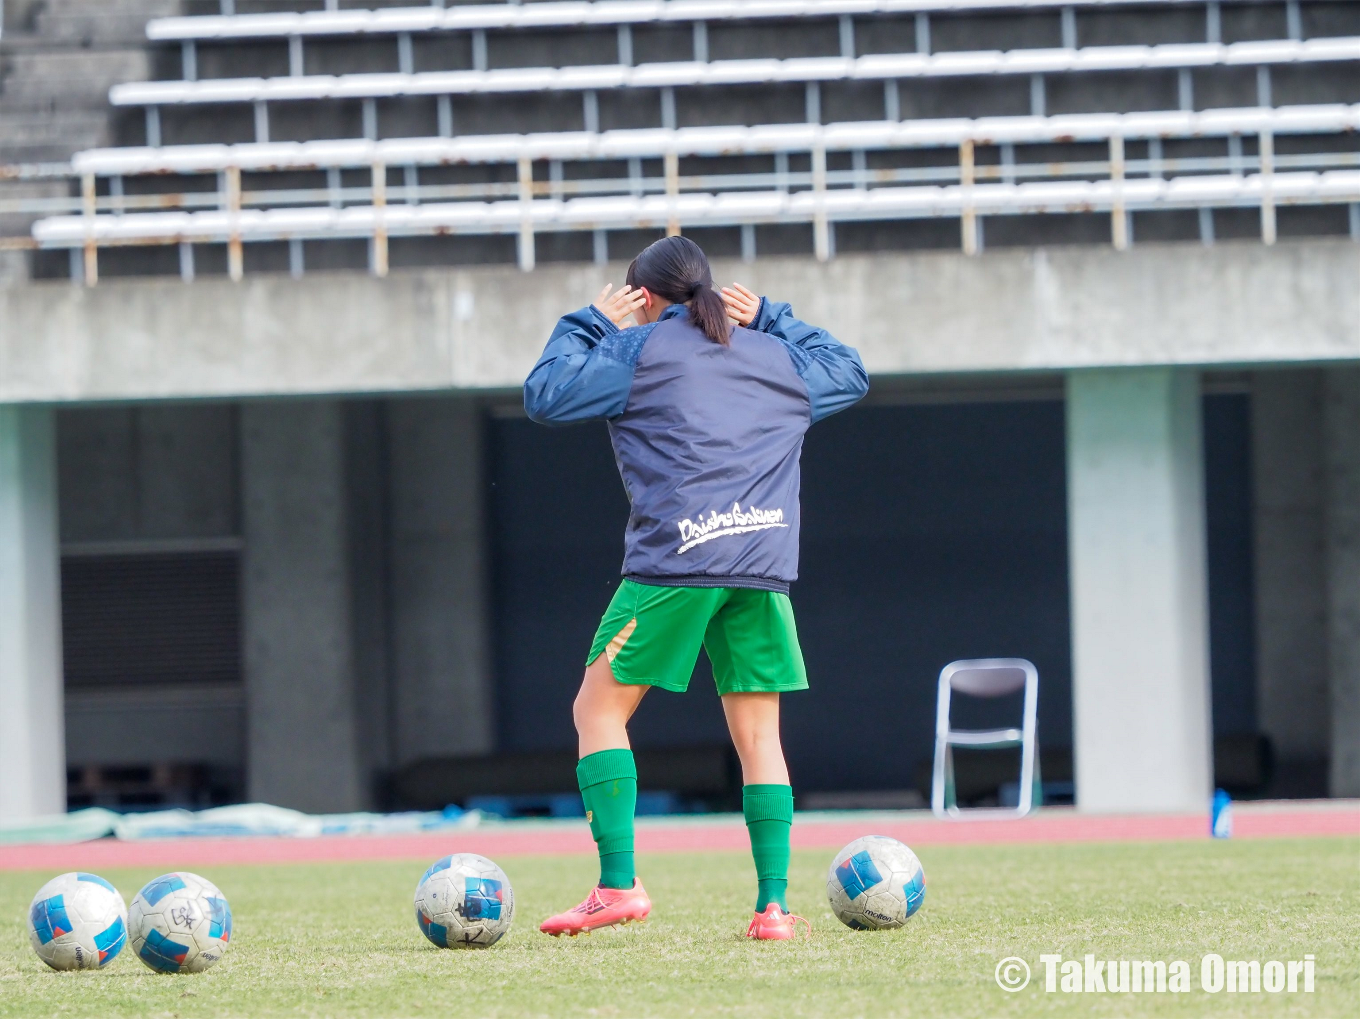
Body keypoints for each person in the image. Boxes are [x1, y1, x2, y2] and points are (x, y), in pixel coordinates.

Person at [522, 235, 868, 940]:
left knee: (598, 710)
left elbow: (546, 394)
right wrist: (772, 316)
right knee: (760, 733)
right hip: (763, 565)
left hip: (676, 563)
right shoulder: (774, 353)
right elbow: (850, 372)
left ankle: (617, 884)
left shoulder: (634, 349)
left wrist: (592, 321)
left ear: (642, 297)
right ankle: (773, 907)